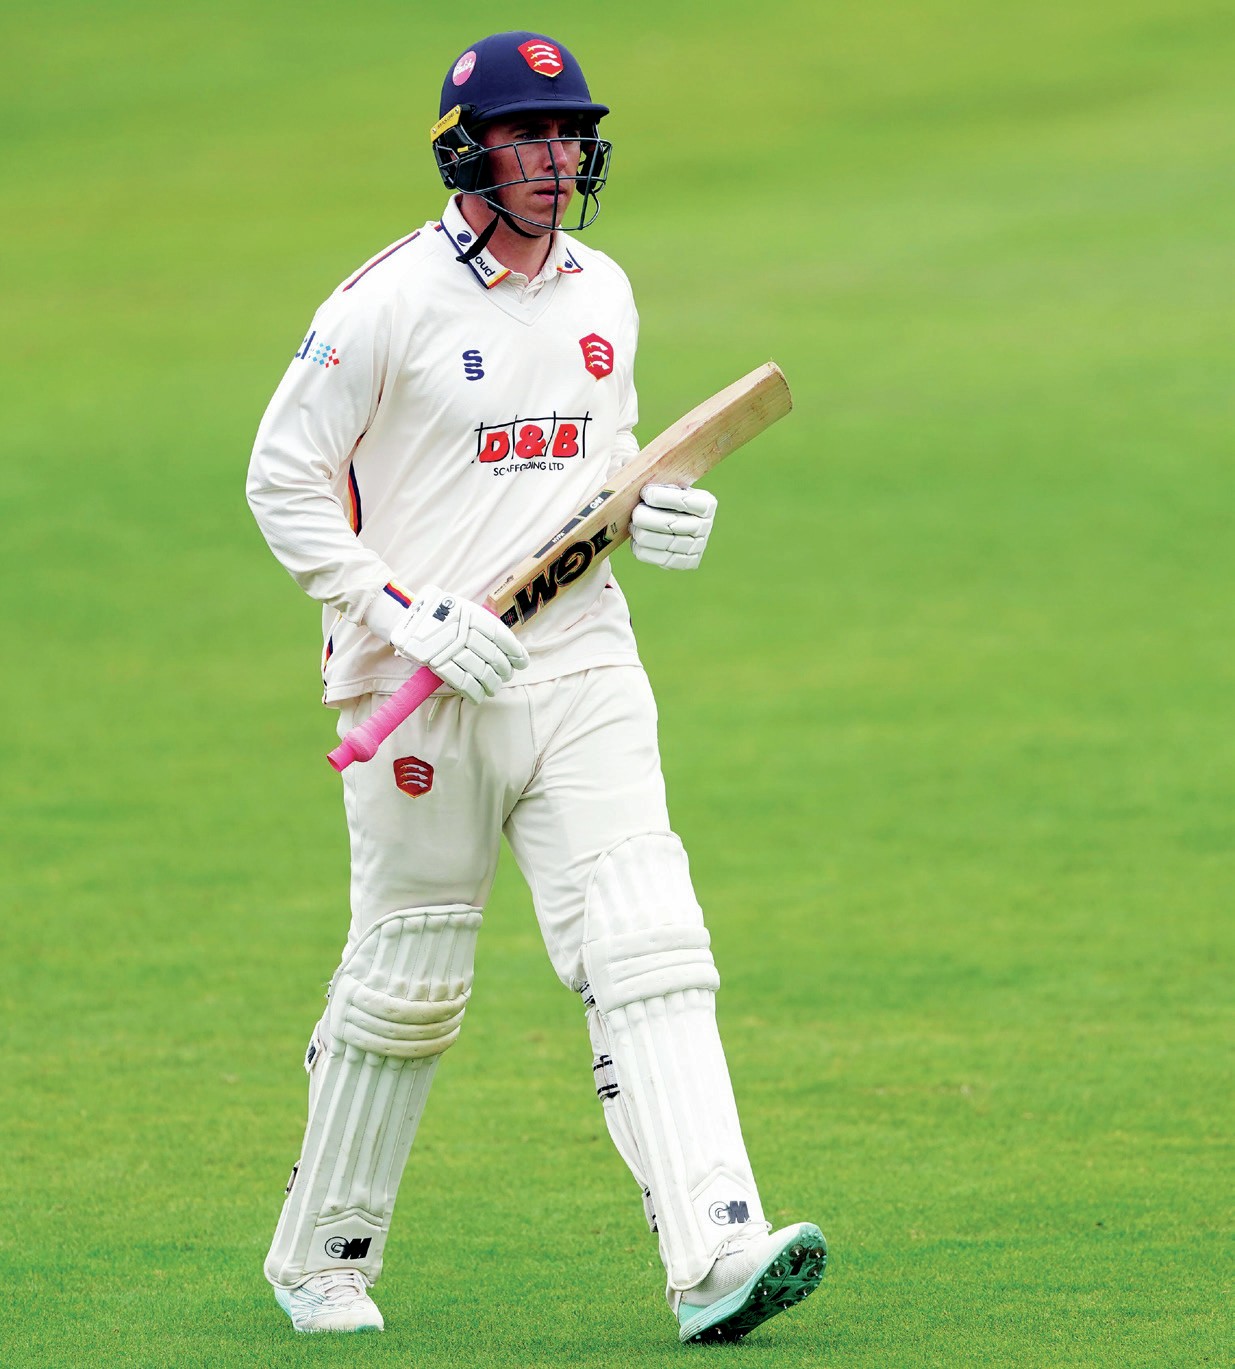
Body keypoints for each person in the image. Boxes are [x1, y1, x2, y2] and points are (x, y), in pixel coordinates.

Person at [246, 29, 826, 1345]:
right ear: (469, 153)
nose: (560, 160)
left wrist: (658, 509)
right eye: (530, 136)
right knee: (409, 982)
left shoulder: (602, 290)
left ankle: (717, 1251)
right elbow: (280, 482)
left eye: (572, 136)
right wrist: (405, 611)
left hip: (580, 658)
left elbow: (605, 472)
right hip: (420, 681)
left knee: (649, 938)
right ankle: (322, 1256)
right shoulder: (384, 305)